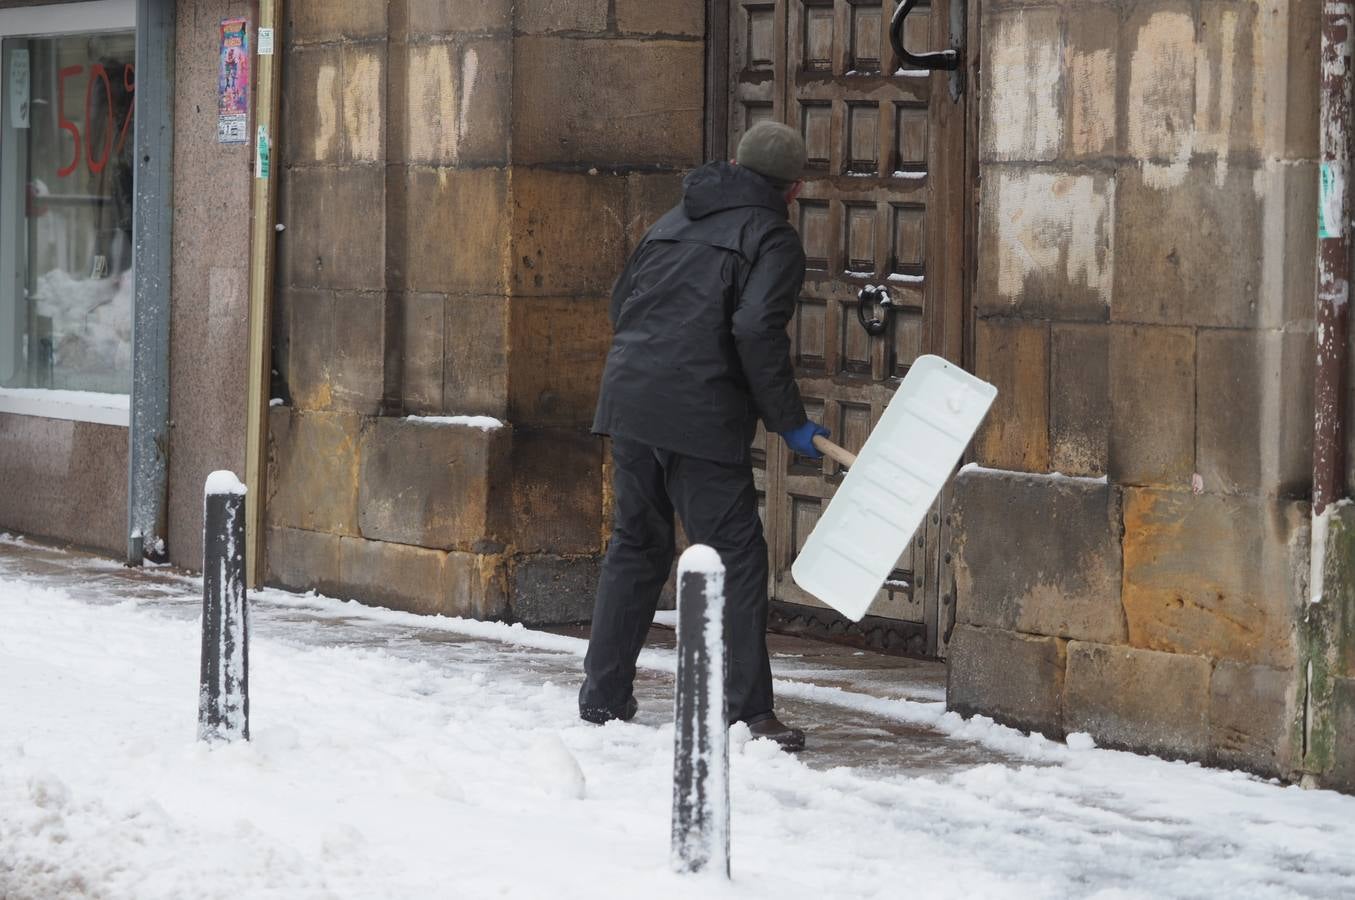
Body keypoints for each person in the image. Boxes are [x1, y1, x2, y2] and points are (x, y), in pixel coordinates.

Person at [578, 121, 830, 751]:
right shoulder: (771, 236)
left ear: (734, 164)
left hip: (631, 401)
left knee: (636, 546)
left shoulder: (670, 222)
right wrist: (788, 420)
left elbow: (620, 305)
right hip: (697, 413)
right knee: (735, 557)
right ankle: (749, 714)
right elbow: (754, 331)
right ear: (793, 187)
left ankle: (603, 696)